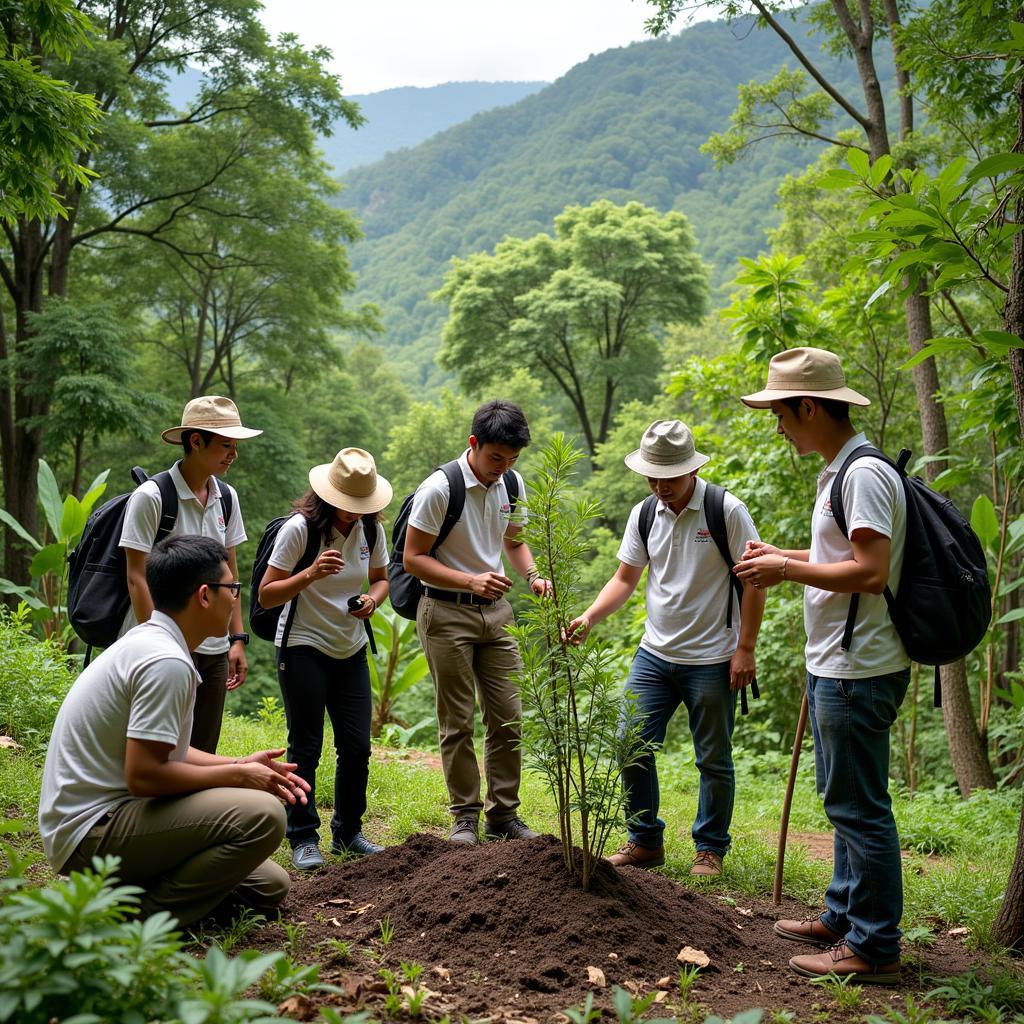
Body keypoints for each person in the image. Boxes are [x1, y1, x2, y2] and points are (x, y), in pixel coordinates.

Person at [736, 346, 907, 985]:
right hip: (840, 662)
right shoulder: (841, 471)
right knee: (844, 801)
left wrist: (785, 568)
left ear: (809, 407)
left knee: (859, 807)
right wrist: (787, 554)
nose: (778, 427)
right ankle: (842, 916)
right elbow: (840, 552)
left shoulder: (861, 474)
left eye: (781, 414)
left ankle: (873, 946)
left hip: (858, 667)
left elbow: (870, 570)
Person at [39, 536, 307, 926]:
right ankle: (141, 925)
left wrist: (238, 761)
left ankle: (120, 894)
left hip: (111, 817)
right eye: (230, 588)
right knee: (264, 816)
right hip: (91, 831)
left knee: (268, 885)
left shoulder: (157, 641)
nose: (235, 597)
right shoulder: (165, 662)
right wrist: (239, 776)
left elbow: (168, 750)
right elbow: (145, 775)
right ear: (203, 595)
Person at [566, 420, 765, 876]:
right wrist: (590, 617)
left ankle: (710, 848)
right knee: (628, 743)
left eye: (668, 478)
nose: (660, 486)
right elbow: (625, 578)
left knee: (713, 757)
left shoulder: (725, 511)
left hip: (713, 658)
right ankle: (644, 841)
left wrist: (746, 648)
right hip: (655, 654)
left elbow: (755, 581)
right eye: (652, 477)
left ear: (690, 471)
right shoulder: (644, 513)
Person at [404, 400, 548, 845]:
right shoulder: (440, 489)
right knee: (458, 720)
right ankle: (464, 816)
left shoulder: (512, 484)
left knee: (508, 717)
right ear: (474, 444)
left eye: (511, 460)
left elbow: (514, 541)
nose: (501, 468)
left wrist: (534, 575)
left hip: (497, 613)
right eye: (495, 458)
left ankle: (503, 815)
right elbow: (413, 559)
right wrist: (471, 579)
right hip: (445, 612)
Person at [259, 448, 392, 871]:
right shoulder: (300, 530)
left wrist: (372, 601)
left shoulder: (370, 532)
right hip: (302, 646)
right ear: (328, 497)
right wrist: (311, 574)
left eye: (361, 507)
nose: (354, 514)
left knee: (356, 746)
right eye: (347, 507)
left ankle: (349, 832)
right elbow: (267, 593)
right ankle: (302, 837)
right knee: (306, 746)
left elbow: (382, 579)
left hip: (349, 646)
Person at [120, 395, 260, 753]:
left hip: (212, 647)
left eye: (235, 446)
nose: (233, 454)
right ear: (195, 442)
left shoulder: (227, 497)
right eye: (225, 445)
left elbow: (230, 572)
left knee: (202, 746)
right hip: (161, 646)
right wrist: (159, 643)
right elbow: (136, 577)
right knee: (156, 746)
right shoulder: (151, 497)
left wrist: (237, 638)